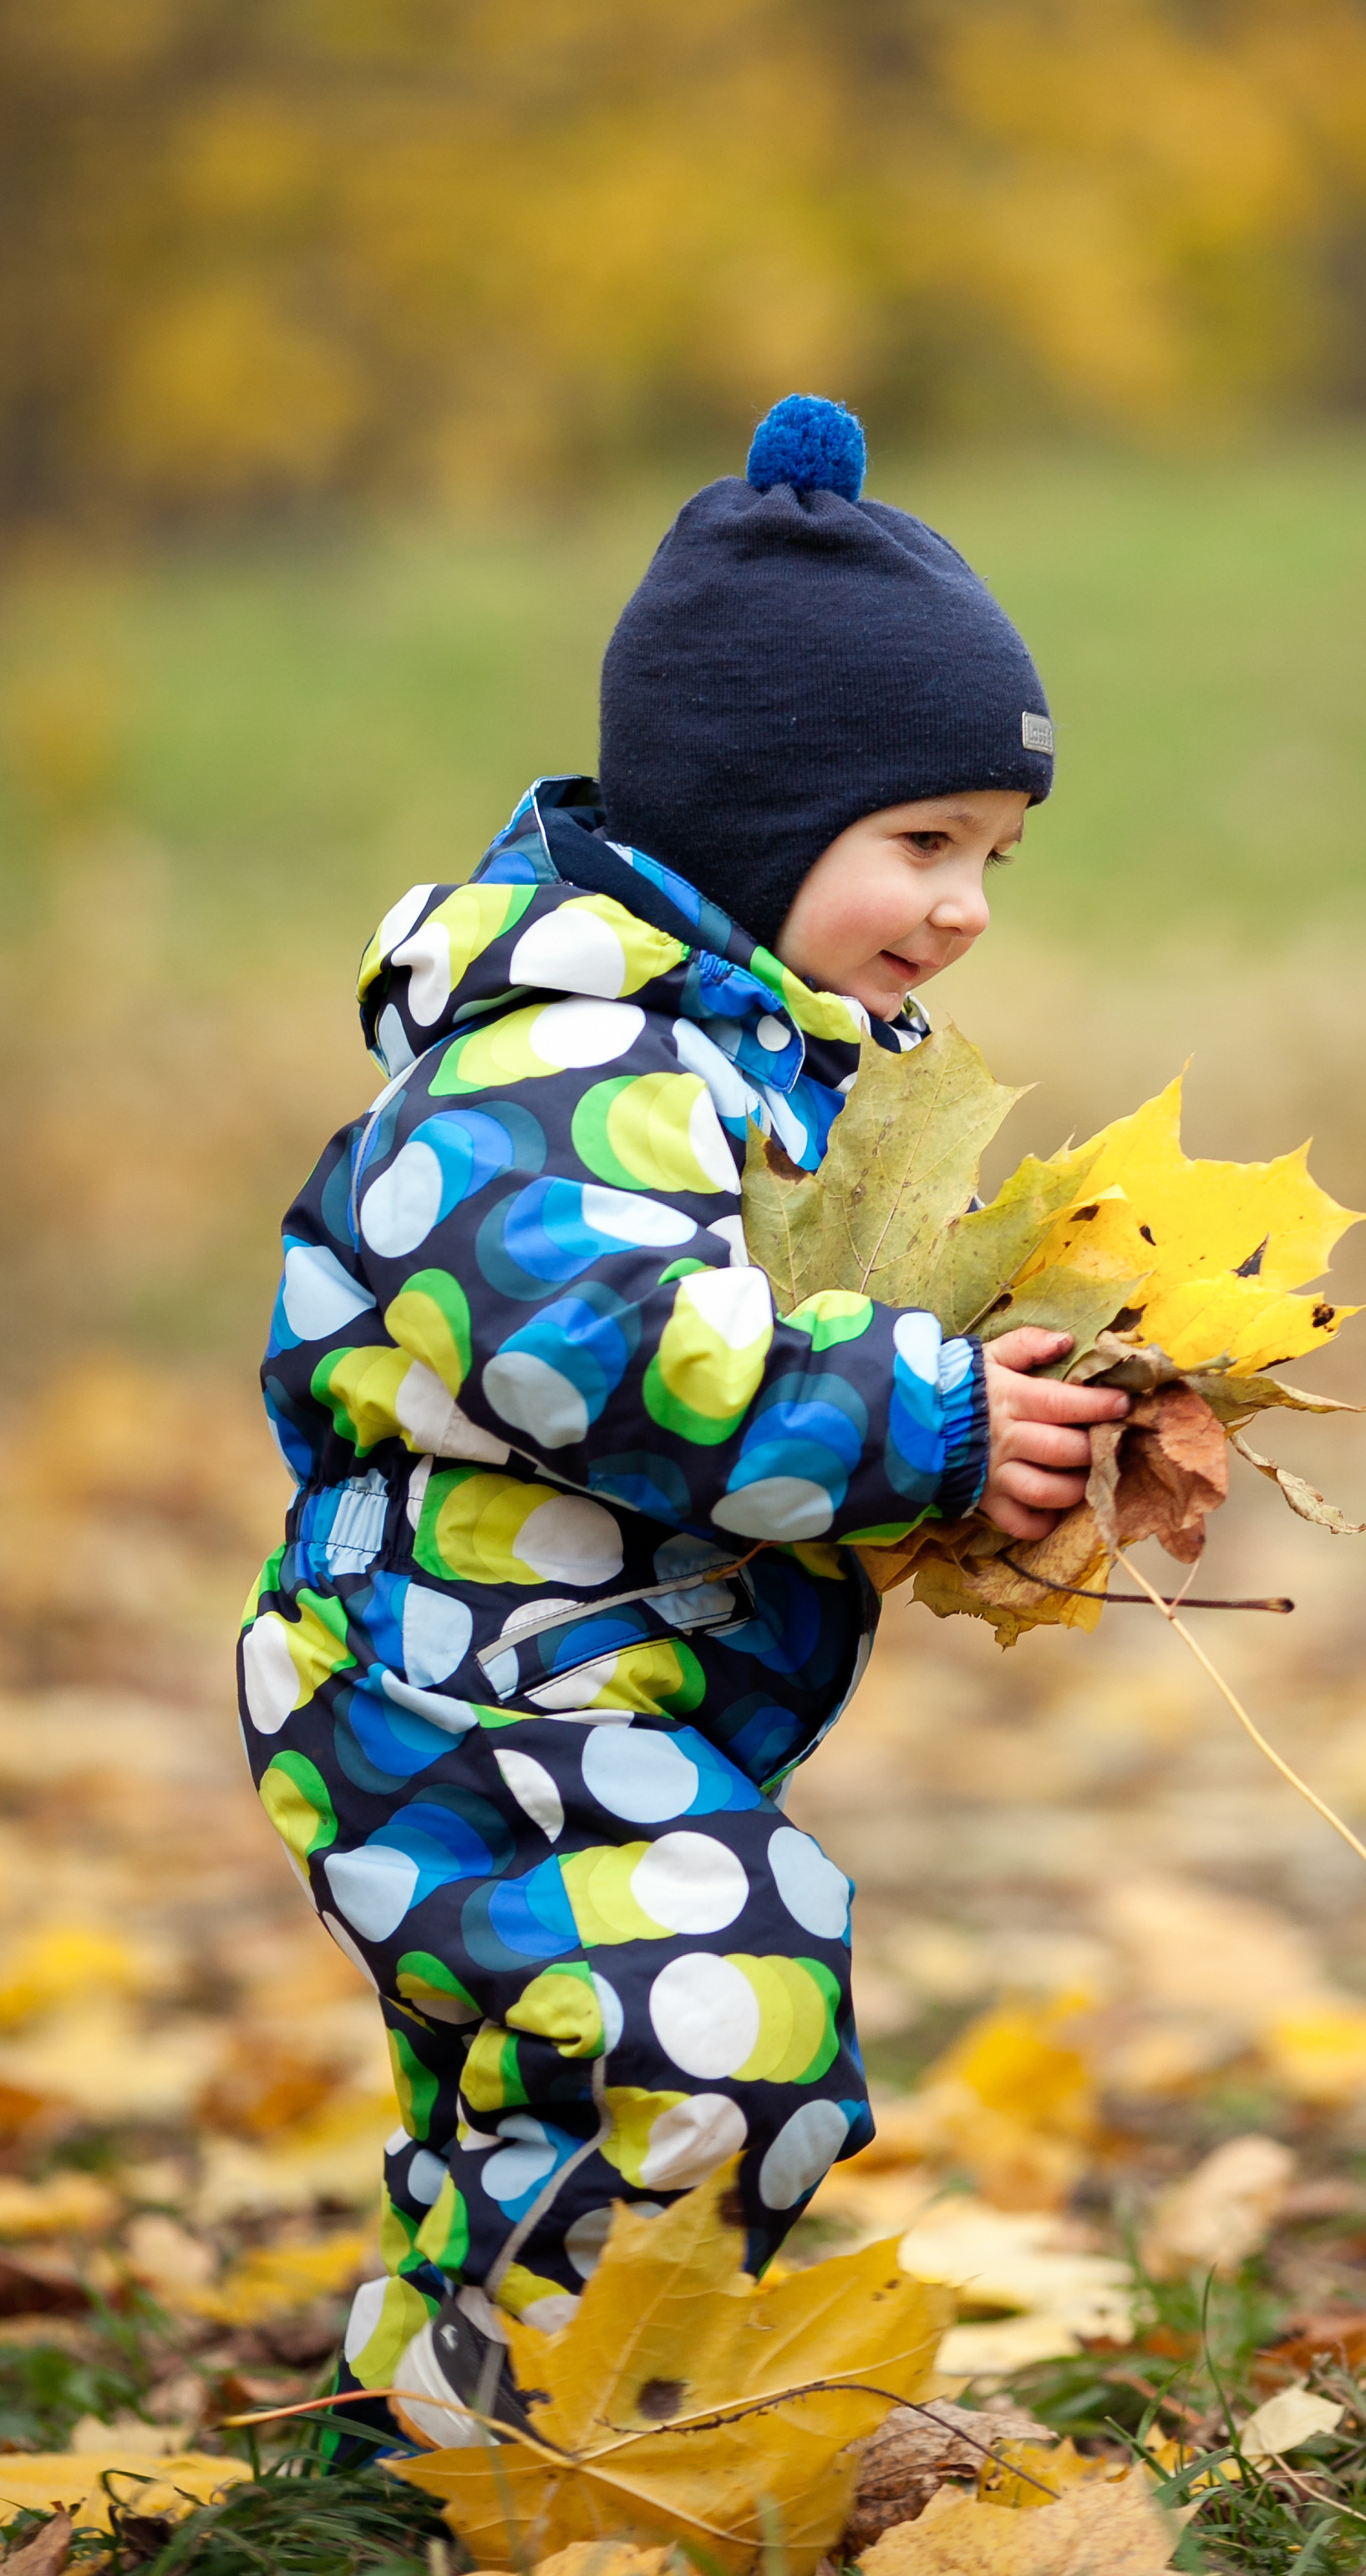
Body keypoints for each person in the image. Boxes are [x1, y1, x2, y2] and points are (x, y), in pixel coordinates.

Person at [238, 394, 1128, 2450]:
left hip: (580, 1675)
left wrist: (991, 1412)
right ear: (749, 820)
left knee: (566, 2078)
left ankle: (468, 2438)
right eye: (919, 844)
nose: (967, 903)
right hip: (453, 1686)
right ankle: (576, 2434)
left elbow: (774, 1345)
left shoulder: (759, 1072)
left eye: (993, 854)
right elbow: (608, 1349)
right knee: (708, 2024)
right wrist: (915, 1421)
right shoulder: (556, 1059)